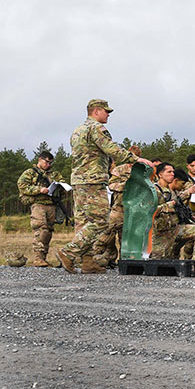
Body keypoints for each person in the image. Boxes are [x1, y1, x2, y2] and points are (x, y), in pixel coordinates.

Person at [56, 99, 152, 274]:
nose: (108, 115)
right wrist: (135, 159)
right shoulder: (96, 128)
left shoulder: (77, 130)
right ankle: (68, 252)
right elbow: (111, 149)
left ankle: (88, 262)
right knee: (100, 222)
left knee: (84, 222)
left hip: (78, 181)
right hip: (93, 181)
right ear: (96, 111)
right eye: (106, 111)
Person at [17, 150, 66, 267]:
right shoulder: (30, 173)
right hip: (38, 204)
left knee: (48, 232)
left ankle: (43, 258)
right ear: (40, 159)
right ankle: (38, 258)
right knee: (41, 230)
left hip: (51, 205)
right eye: (47, 162)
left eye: (50, 163)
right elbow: (22, 185)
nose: (48, 165)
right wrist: (39, 190)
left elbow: (62, 182)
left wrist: (61, 186)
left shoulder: (54, 174)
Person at [151, 163, 195, 259]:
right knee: (160, 263)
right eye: (169, 172)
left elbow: (177, 201)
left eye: (173, 172)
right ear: (160, 174)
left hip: (175, 229)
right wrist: (168, 206)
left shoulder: (171, 190)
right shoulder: (153, 190)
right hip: (160, 234)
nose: (172, 174)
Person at [106, 145, 142, 265]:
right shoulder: (119, 170)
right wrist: (125, 186)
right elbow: (111, 185)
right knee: (108, 233)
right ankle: (110, 258)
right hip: (119, 208)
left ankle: (125, 261)